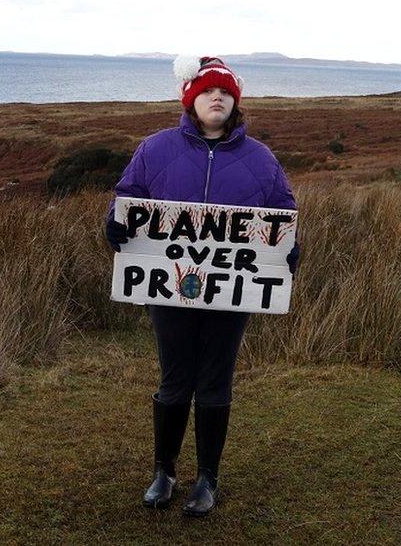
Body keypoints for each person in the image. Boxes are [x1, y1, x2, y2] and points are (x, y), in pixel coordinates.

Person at [105, 56, 300, 517]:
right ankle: (164, 472)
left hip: (232, 293)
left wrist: (288, 248)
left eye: (227, 92)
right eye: (209, 91)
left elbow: (283, 212)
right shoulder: (154, 149)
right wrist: (113, 228)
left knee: (215, 382)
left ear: (236, 102)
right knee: (175, 379)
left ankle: (207, 479)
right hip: (168, 290)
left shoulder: (261, 159)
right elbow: (127, 198)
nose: (218, 98)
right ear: (191, 98)